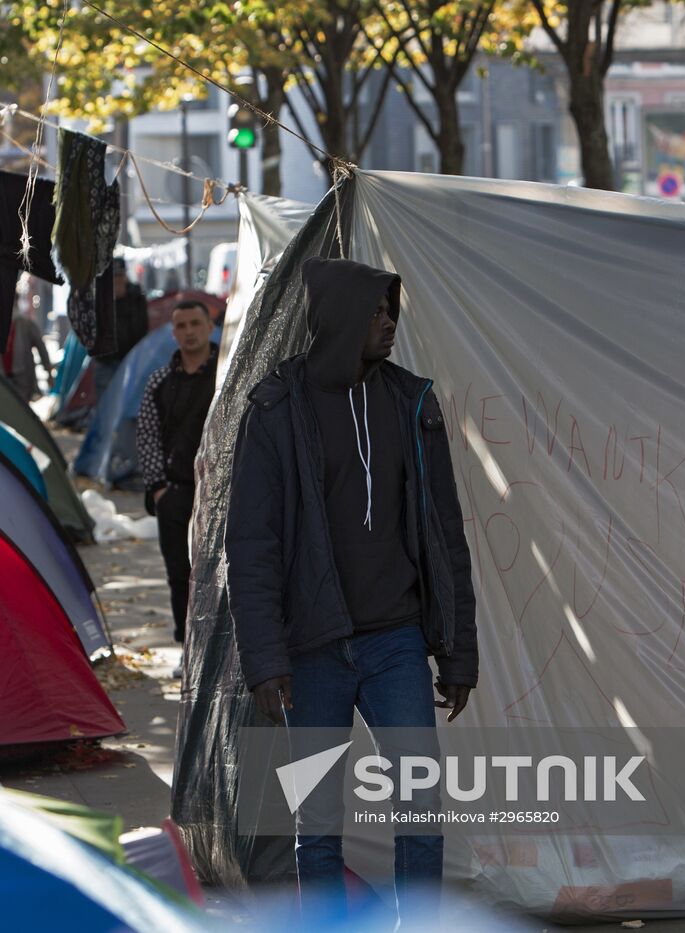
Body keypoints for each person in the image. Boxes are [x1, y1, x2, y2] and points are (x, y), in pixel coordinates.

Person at [224, 258, 477, 924]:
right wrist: (265, 657)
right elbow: (252, 545)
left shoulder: (412, 402)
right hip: (311, 646)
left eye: (391, 310)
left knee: (420, 803)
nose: (389, 322)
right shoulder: (275, 411)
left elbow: (446, 536)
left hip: (396, 640)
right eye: (376, 311)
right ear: (339, 319)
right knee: (319, 819)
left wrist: (459, 652)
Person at [137, 301, 218, 664]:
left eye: (195, 323)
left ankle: (218, 653)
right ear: (174, 333)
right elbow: (147, 436)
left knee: (220, 576)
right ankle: (189, 653)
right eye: (181, 325)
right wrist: (159, 490)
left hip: (219, 495)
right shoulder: (160, 382)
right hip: (175, 493)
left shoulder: (225, 374)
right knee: (178, 576)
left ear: (209, 325)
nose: (189, 331)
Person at [92, 257, 148, 402]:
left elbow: (142, 327)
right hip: (106, 362)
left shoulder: (136, 297)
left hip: (131, 360)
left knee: (129, 404)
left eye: (119, 276)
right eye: (113, 278)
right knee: (106, 404)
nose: (117, 281)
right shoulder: (99, 298)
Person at [1, 301, 54, 402]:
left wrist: (48, 371)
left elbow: (41, 347)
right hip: (1, 376)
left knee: (21, 407)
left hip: (22, 377)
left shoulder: (26, 324)